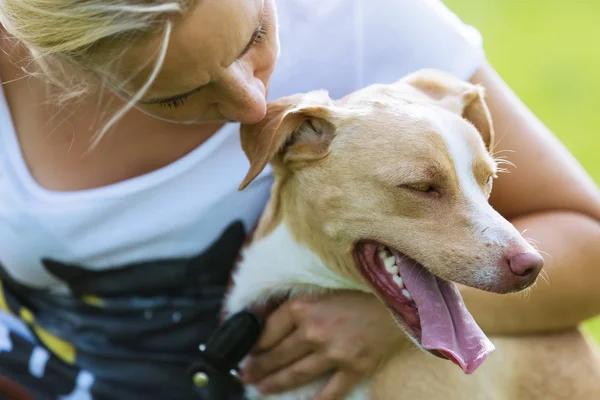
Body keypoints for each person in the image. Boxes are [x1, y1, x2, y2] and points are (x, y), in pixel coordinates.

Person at [0, 0, 599, 399]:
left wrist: (400, 317)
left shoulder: (365, 20)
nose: (254, 107)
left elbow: (587, 240)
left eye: (255, 35)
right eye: (179, 96)